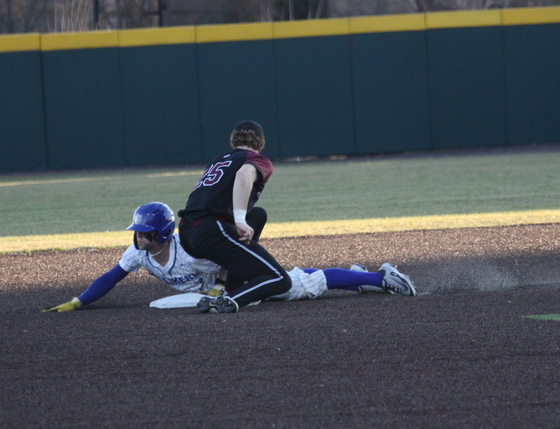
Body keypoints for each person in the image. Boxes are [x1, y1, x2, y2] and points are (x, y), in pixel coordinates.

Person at [43, 202, 416, 312]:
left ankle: (381, 278)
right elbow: (110, 278)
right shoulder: (139, 254)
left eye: (142, 232)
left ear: (158, 233)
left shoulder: (188, 245)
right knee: (300, 280)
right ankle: (360, 276)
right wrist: (78, 302)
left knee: (301, 285)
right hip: (223, 289)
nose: (136, 237)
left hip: (235, 279)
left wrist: (223, 286)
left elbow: (229, 254)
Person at [176, 120, 291, 313]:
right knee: (279, 279)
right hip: (211, 229)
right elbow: (243, 176)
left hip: (187, 232)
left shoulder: (219, 159)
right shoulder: (257, 159)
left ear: (233, 140)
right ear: (261, 143)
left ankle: (229, 286)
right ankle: (230, 299)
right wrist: (238, 219)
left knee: (257, 214)